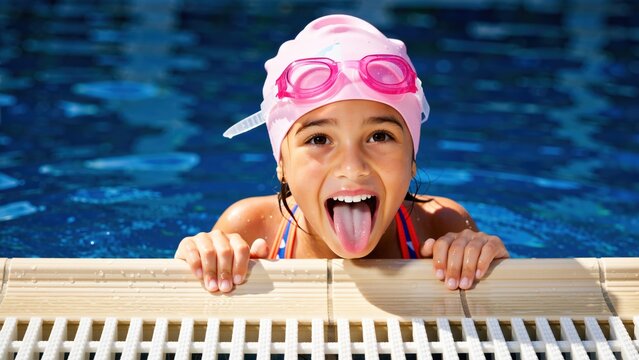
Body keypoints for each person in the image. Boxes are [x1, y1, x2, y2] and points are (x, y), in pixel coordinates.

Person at [175, 14, 509, 294]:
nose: (352, 168)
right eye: (319, 139)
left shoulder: (440, 226)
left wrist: (484, 262)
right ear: (282, 165)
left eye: (379, 136)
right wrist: (202, 261)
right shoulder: (251, 229)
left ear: (412, 161)